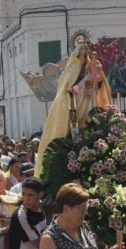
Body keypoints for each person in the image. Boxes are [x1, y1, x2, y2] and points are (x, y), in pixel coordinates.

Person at [35, 44, 91, 176]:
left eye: (85, 49)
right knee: (74, 119)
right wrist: (73, 88)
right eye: (81, 49)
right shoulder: (72, 67)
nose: (84, 51)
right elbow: (66, 86)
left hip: (87, 96)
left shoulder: (89, 64)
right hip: (72, 100)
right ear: (77, 52)